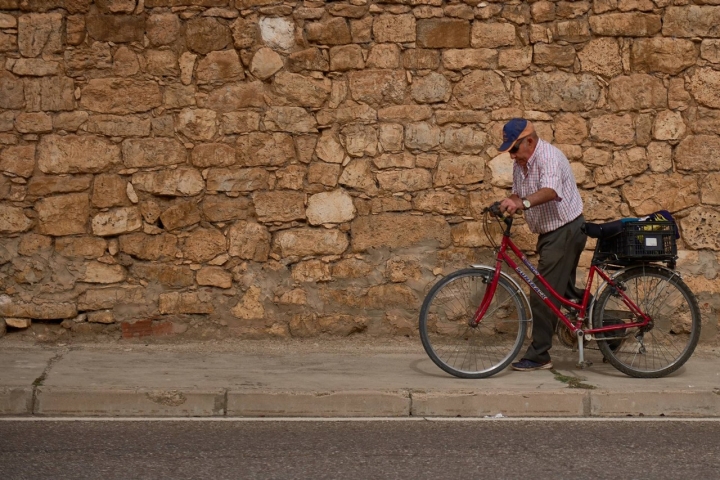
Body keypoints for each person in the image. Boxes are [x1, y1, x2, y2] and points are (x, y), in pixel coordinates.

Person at [496, 118, 587, 371]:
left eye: (514, 149)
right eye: (509, 151)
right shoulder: (522, 164)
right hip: (550, 234)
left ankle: (539, 355)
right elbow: (518, 192)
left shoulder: (548, 157)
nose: (512, 156)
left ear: (529, 141)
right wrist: (509, 201)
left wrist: (522, 204)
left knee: (541, 293)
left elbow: (550, 191)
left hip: (565, 230)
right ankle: (600, 323)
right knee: (564, 292)